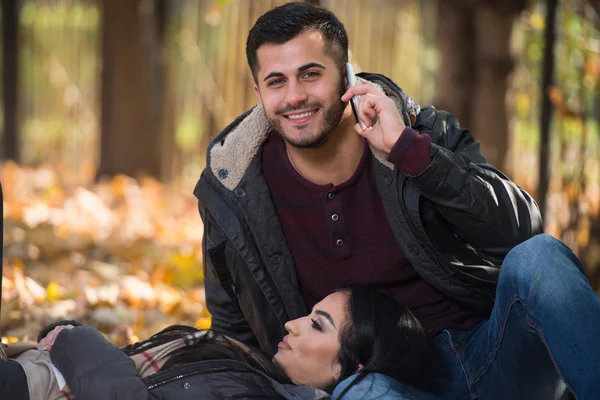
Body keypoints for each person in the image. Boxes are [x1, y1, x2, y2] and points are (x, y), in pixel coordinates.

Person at [193, 2, 600, 398]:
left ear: (346, 74)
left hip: (493, 355)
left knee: (540, 256)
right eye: (276, 81)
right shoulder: (235, 188)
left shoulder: (419, 132)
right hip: (379, 383)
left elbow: (519, 231)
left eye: (311, 74)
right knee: (359, 391)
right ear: (259, 91)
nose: (295, 96)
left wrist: (411, 152)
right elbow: (234, 330)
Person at [0, 287, 429, 400]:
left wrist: (76, 340)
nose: (293, 324)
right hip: (37, 366)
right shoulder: (257, 371)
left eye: (317, 326)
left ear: (351, 371)